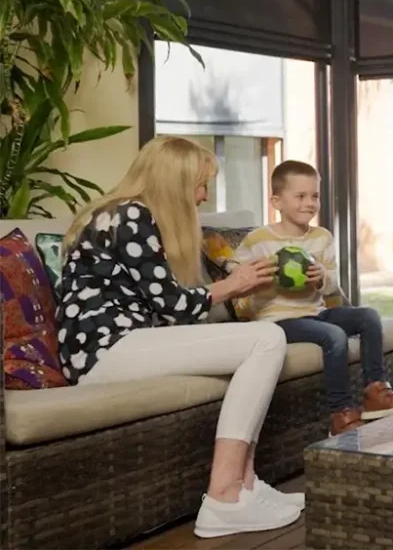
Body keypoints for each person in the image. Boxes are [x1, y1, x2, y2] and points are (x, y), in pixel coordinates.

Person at [57, 137, 304, 539]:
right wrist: (232, 285)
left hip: (121, 343)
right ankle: (224, 497)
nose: (204, 196)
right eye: (201, 185)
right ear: (174, 181)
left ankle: (244, 484)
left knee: (257, 343)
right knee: (266, 339)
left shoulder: (127, 215)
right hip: (106, 350)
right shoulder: (130, 215)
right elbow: (172, 304)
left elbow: (161, 306)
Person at [233, 160, 393, 437]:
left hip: (315, 312)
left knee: (368, 316)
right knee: (333, 336)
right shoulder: (258, 240)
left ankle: (375, 391)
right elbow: (236, 277)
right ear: (276, 200)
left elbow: (331, 285)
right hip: (278, 319)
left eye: (315, 196)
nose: (309, 203)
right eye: (300, 196)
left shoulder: (322, 237)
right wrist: (259, 279)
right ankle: (340, 413)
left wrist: (321, 277)